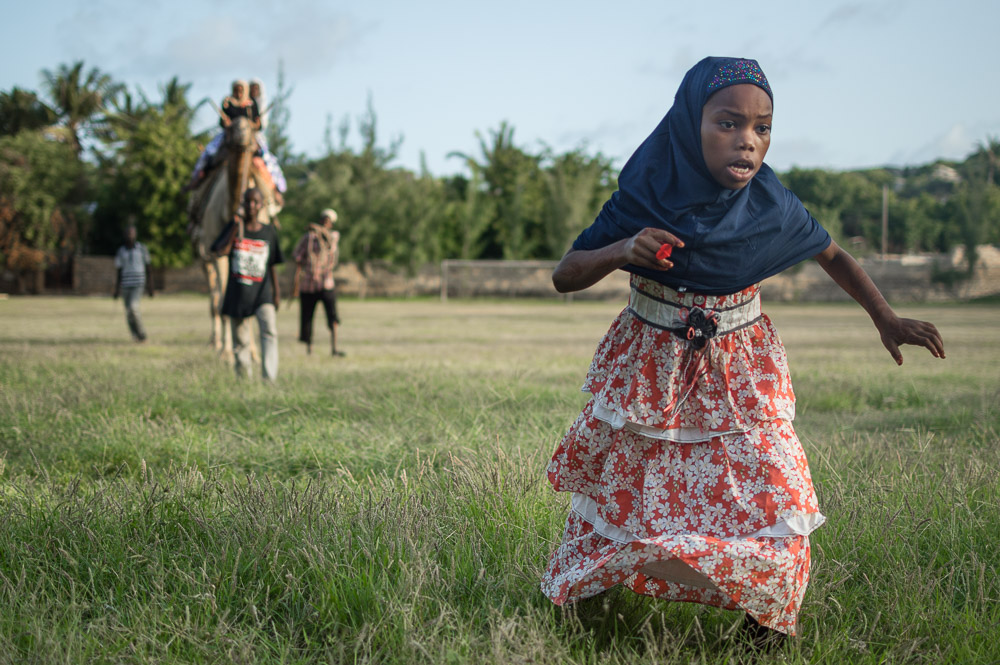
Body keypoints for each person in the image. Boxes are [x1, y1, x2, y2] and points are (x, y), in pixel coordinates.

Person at [540, 57, 945, 649]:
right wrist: (624, 248)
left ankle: (767, 623)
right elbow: (566, 274)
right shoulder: (645, 194)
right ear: (688, 123)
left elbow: (831, 252)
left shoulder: (771, 202)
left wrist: (885, 317)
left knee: (777, 487)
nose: (748, 141)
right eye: (728, 123)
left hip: (742, 369)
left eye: (763, 128)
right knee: (627, 488)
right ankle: (586, 602)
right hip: (651, 366)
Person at [211, 187, 284, 381]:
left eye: (255, 202)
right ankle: (244, 379)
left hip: (262, 293)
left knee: (269, 332)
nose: (252, 206)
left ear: (261, 206)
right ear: (242, 204)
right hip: (238, 293)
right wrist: (236, 226)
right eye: (248, 202)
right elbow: (220, 251)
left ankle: (270, 378)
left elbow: (272, 265)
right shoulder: (234, 227)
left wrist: (276, 292)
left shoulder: (269, 231)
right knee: (241, 339)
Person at [292, 208, 344, 356]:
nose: (325, 223)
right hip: (308, 284)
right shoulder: (308, 238)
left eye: (329, 221)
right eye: (324, 220)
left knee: (332, 317)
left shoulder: (332, 236)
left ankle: (334, 348)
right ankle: (310, 350)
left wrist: (318, 230)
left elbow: (330, 243)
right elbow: (297, 255)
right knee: (307, 318)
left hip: (326, 283)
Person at [112, 224, 154, 342]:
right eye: (128, 233)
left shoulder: (142, 249)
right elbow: (119, 271)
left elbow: (149, 268)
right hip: (125, 284)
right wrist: (116, 289)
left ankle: (142, 334)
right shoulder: (121, 251)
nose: (130, 235)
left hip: (138, 283)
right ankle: (134, 335)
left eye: (132, 233)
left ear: (135, 234)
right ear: (125, 235)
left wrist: (151, 287)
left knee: (133, 307)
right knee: (128, 312)